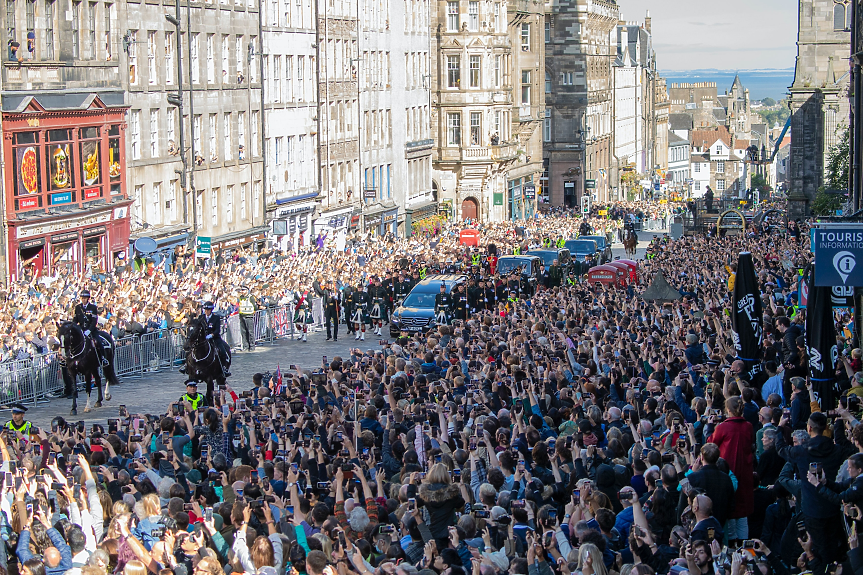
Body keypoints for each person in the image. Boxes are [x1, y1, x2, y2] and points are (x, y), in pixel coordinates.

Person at [73, 289, 108, 366]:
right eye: (82, 298)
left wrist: (89, 330)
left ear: (88, 299)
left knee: (98, 342)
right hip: (81, 329)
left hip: (91, 330)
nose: (83, 300)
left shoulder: (93, 307)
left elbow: (94, 321)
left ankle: (102, 358)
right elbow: (75, 320)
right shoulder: (78, 307)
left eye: (84, 298)